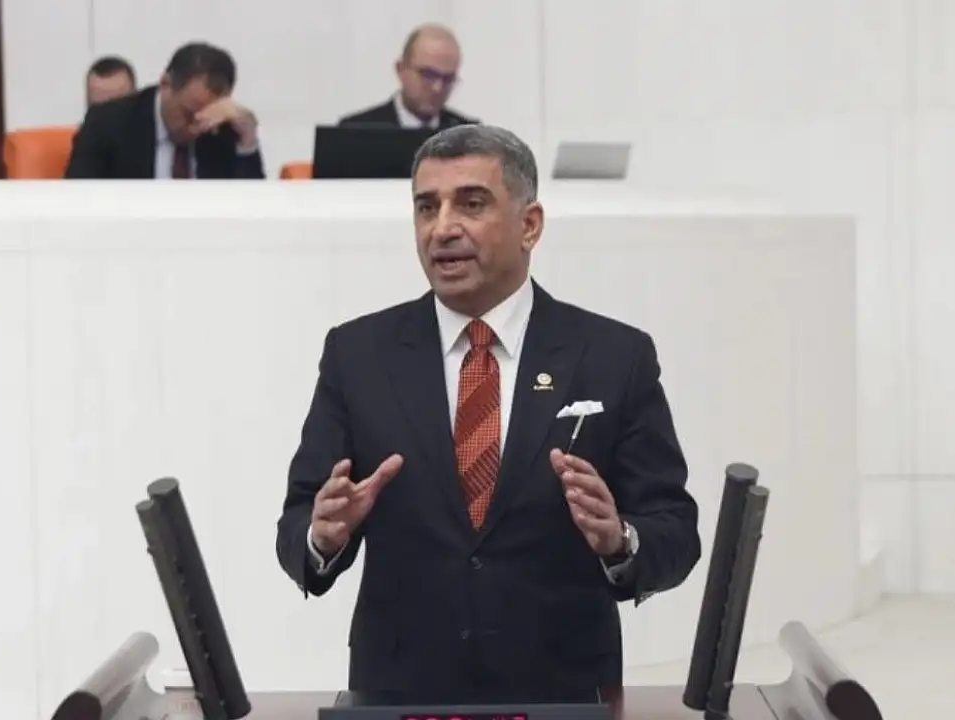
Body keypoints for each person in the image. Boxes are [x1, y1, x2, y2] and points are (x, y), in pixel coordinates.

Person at [275, 124, 700, 698]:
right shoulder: (357, 354)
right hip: (401, 693)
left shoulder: (613, 356)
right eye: (427, 207)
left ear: (530, 225)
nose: (443, 228)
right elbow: (298, 523)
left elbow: (675, 529)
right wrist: (322, 536)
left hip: (563, 695)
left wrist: (620, 540)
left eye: (471, 204)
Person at [64, 42, 264, 179]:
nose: (196, 128)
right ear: (165, 84)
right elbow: (77, 205)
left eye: (206, 118)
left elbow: (254, 212)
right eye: (189, 114)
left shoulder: (221, 127)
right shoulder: (107, 123)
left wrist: (247, 140)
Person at [339, 24, 476, 130]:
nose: (437, 87)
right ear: (401, 70)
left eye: (448, 79)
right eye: (428, 75)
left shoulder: (469, 136)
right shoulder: (356, 130)